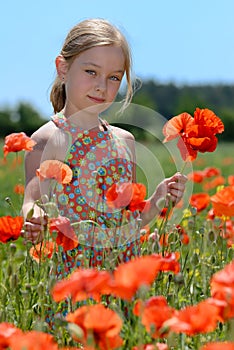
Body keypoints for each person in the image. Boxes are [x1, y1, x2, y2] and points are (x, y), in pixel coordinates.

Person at [21, 18, 187, 275]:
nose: (102, 85)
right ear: (62, 68)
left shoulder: (125, 142)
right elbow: (31, 201)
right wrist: (34, 218)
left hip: (121, 277)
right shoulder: (48, 139)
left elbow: (128, 222)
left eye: (113, 77)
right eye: (91, 72)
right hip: (73, 280)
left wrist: (156, 200)